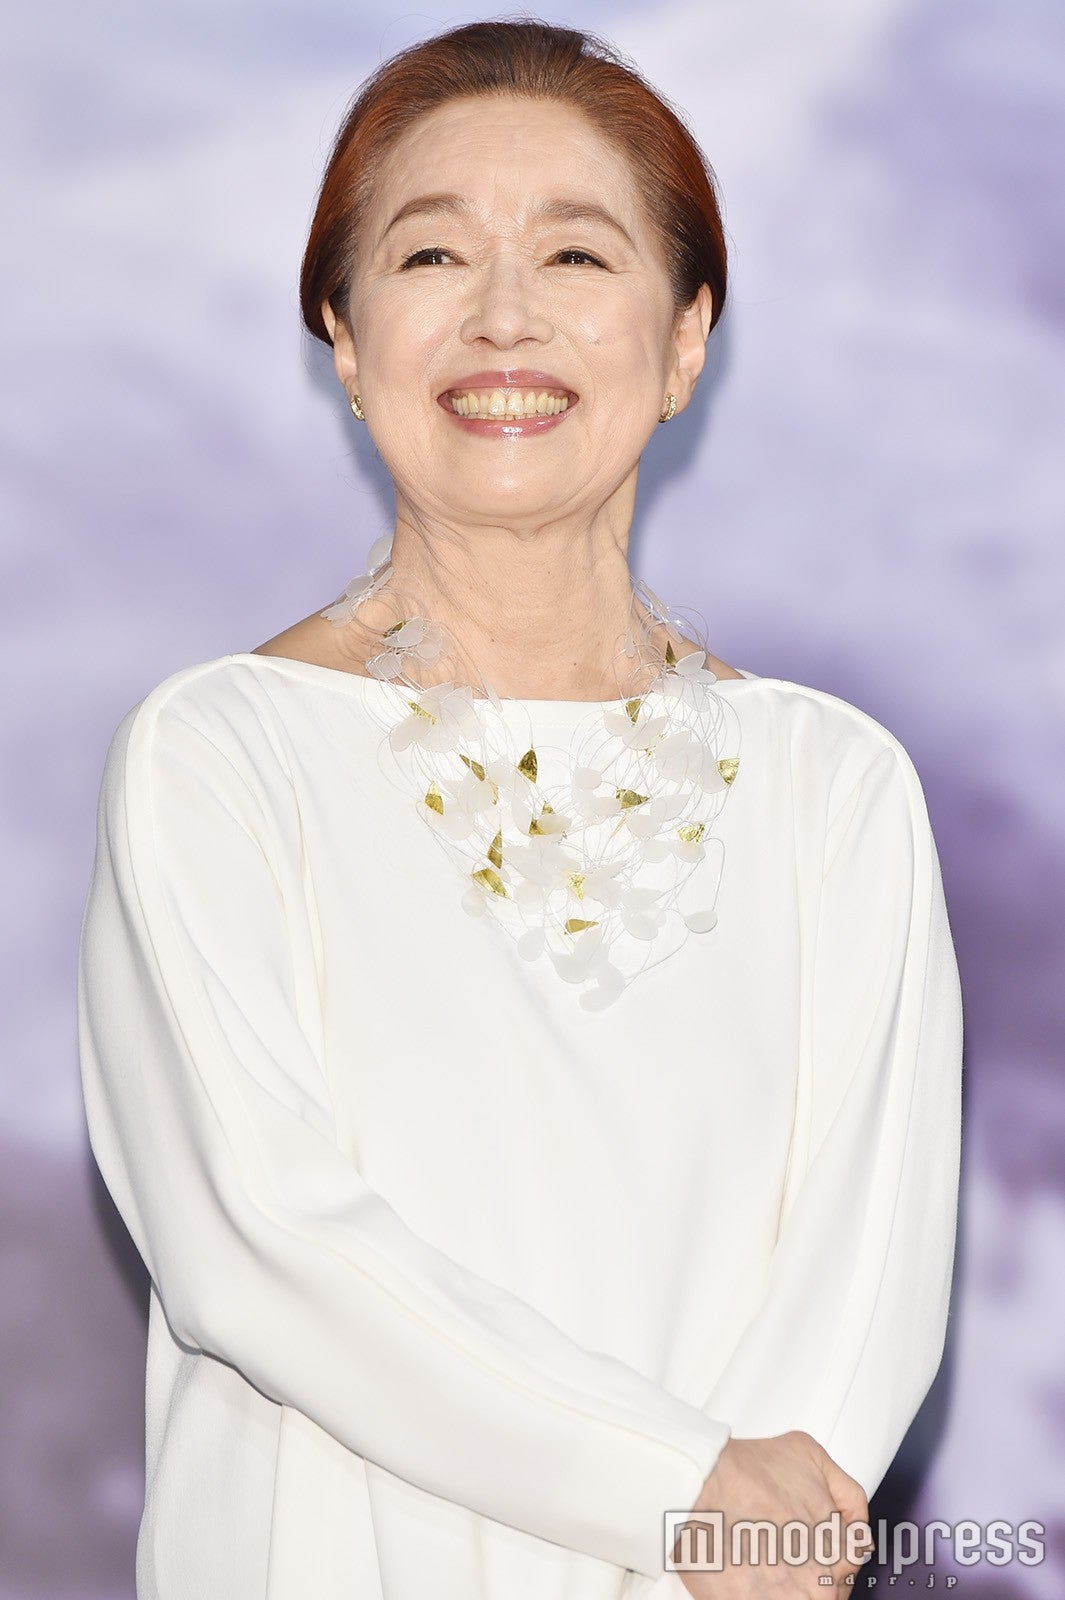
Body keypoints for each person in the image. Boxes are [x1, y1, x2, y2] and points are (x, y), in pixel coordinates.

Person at [75, 18, 964, 1600]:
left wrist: (741, 1532)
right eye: (429, 255)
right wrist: (676, 1492)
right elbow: (261, 1247)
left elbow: (865, 1286)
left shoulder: (832, 792)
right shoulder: (220, 757)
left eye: (574, 254)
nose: (501, 314)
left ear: (684, 340)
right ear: (346, 340)